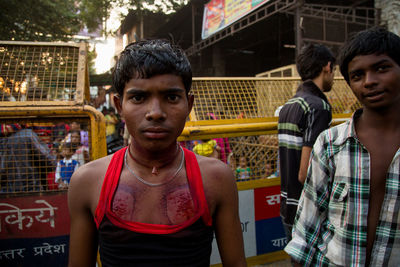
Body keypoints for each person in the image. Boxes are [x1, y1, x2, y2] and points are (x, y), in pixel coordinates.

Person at [68, 39, 246, 266]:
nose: (155, 113)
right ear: (119, 105)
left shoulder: (217, 178)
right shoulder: (88, 181)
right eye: (138, 97)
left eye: (171, 97)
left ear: (189, 105)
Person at [285, 27, 400, 266]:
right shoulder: (330, 140)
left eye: (381, 68)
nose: (369, 82)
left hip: (288, 197)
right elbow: (306, 233)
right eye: (357, 75)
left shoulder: (293, 103)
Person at [278, 43, 336, 244]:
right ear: (327, 67)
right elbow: (306, 173)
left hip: (287, 207)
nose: (333, 76)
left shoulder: (289, 105)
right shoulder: (318, 107)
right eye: (334, 71)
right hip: (308, 213)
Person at [0, 124, 56, 192]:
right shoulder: (27, 134)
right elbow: (46, 158)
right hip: (31, 185)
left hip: (6, 189)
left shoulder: (3, 137)